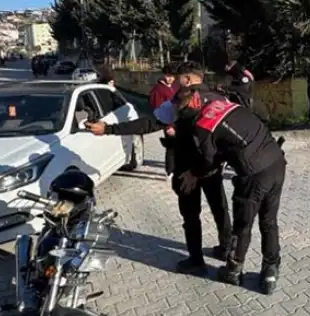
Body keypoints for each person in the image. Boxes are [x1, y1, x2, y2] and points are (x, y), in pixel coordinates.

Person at [85, 62, 233, 271]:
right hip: (211, 164)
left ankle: (196, 260)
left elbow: (149, 123)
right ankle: (227, 248)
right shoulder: (220, 99)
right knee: (220, 207)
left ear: (187, 79)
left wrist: (109, 129)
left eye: (180, 78)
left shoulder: (180, 100)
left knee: (191, 214)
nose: (177, 82)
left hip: (186, 167)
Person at [171, 82, 286, 295]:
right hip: (276, 161)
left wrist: (193, 173)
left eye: (179, 111)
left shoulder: (203, 126)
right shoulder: (223, 102)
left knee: (243, 225)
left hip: (252, 173)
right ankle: (270, 271)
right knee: (269, 220)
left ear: (189, 108)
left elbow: (209, 161)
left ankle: (233, 270)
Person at [149, 65, 180, 177]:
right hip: (168, 122)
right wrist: (167, 126)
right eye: (168, 75)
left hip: (179, 120)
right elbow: (157, 109)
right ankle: (170, 171)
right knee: (171, 146)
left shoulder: (177, 85)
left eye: (172, 76)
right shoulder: (158, 89)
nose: (170, 78)